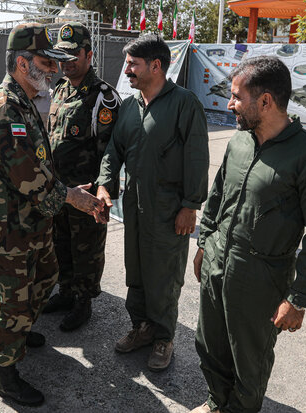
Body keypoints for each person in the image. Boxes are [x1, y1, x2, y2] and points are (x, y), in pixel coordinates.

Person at [191, 56, 306, 413]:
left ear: (265, 101)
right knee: (209, 344)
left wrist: (300, 298)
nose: (230, 104)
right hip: (216, 263)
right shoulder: (240, 142)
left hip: (260, 280)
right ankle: (216, 403)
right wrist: (204, 243)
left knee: (250, 360)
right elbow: (217, 195)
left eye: (236, 97)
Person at [0, 23, 105, 406]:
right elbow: (29, 177)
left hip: (31, 222)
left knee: (47, 276)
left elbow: (39, 167)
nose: (54, 70)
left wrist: (66, 192)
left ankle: (21, 329)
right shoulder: (6, 109)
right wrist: (72, 198)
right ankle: (6, 372)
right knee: (14, 301)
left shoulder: (25, 101)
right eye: (47, 62)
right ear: (21, 62)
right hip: (10, 228)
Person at [95, 35, 209, 372]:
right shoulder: (130, 107)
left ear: (156, 66)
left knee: (164, 275)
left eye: (133, 63)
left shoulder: (185, 103)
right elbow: (114, 151)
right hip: (134, 204)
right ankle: (142, 327)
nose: (127, 70)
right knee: (138, 269)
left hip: (170, 207)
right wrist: (104, 185)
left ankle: (163, 337)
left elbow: (197, 157)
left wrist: (190, 206)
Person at [44, 22, 121, 331]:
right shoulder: (60, 89)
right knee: (59, 242)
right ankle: (65, 292)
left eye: (74, 55)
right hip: (60, 189)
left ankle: (83, 302)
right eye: (62, 55)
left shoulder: (102, 96)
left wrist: (104, 193)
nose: (67, 61)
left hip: (86, 192)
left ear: (89, 54)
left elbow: (109, 153)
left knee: (85, 249)